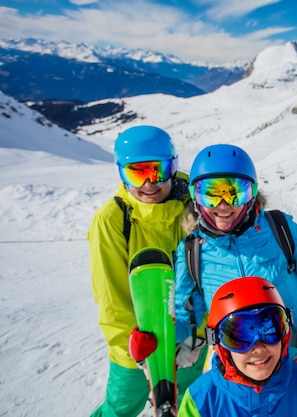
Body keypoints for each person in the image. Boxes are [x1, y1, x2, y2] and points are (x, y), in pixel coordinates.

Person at [129, 143, 297, 386]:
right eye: (211, 193)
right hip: (236, 367)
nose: (223, 205)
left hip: (295, 356)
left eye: (234, 192)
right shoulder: (192, 251)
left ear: (252, 194)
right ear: (196, 197)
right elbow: (189, 319)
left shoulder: (281, 229)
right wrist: (159, 336)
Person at [88, 125, 202, 417]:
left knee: (191, 407)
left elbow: (210, 276)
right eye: (137, 173)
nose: (149, 183)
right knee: (120, 410)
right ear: (121, 173)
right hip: (136, 348)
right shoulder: (113, 219)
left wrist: (197, 336)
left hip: (189, 345)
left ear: (172, 167)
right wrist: (135, 354)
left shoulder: (195, 207)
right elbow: (112, 297)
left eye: (157, 170)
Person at [177, 276, 297, 416]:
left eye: (270, 331)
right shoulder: (200, 401)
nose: (259, 348)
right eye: (241, 338)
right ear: (222, 347)